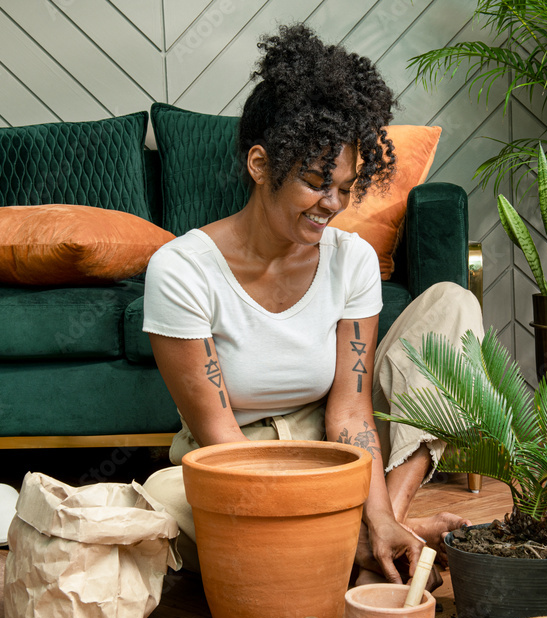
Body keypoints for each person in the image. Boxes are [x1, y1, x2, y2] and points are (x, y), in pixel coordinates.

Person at [142, 23, 482, 587]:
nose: (333, 204)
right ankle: (374, 545)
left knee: (452, 303)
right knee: (164, 500)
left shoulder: (350, 260)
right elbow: (221, 441)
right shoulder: (181, 269)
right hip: (238, 460)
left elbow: (349, 413)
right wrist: (342, 514)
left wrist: (373, 509)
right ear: (259, 165)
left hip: (333, 449)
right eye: (315, 183)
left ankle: (382, 525)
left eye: (346, 187)